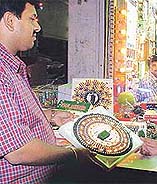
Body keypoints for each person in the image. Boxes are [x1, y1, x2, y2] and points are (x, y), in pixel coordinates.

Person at [0, 1, 93, 183]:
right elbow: (19, 151)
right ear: (11, 20)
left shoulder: (12, 67)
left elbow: (13, 116)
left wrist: (50, 116)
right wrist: (76, 154)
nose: (38, 27)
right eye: (32, 19)